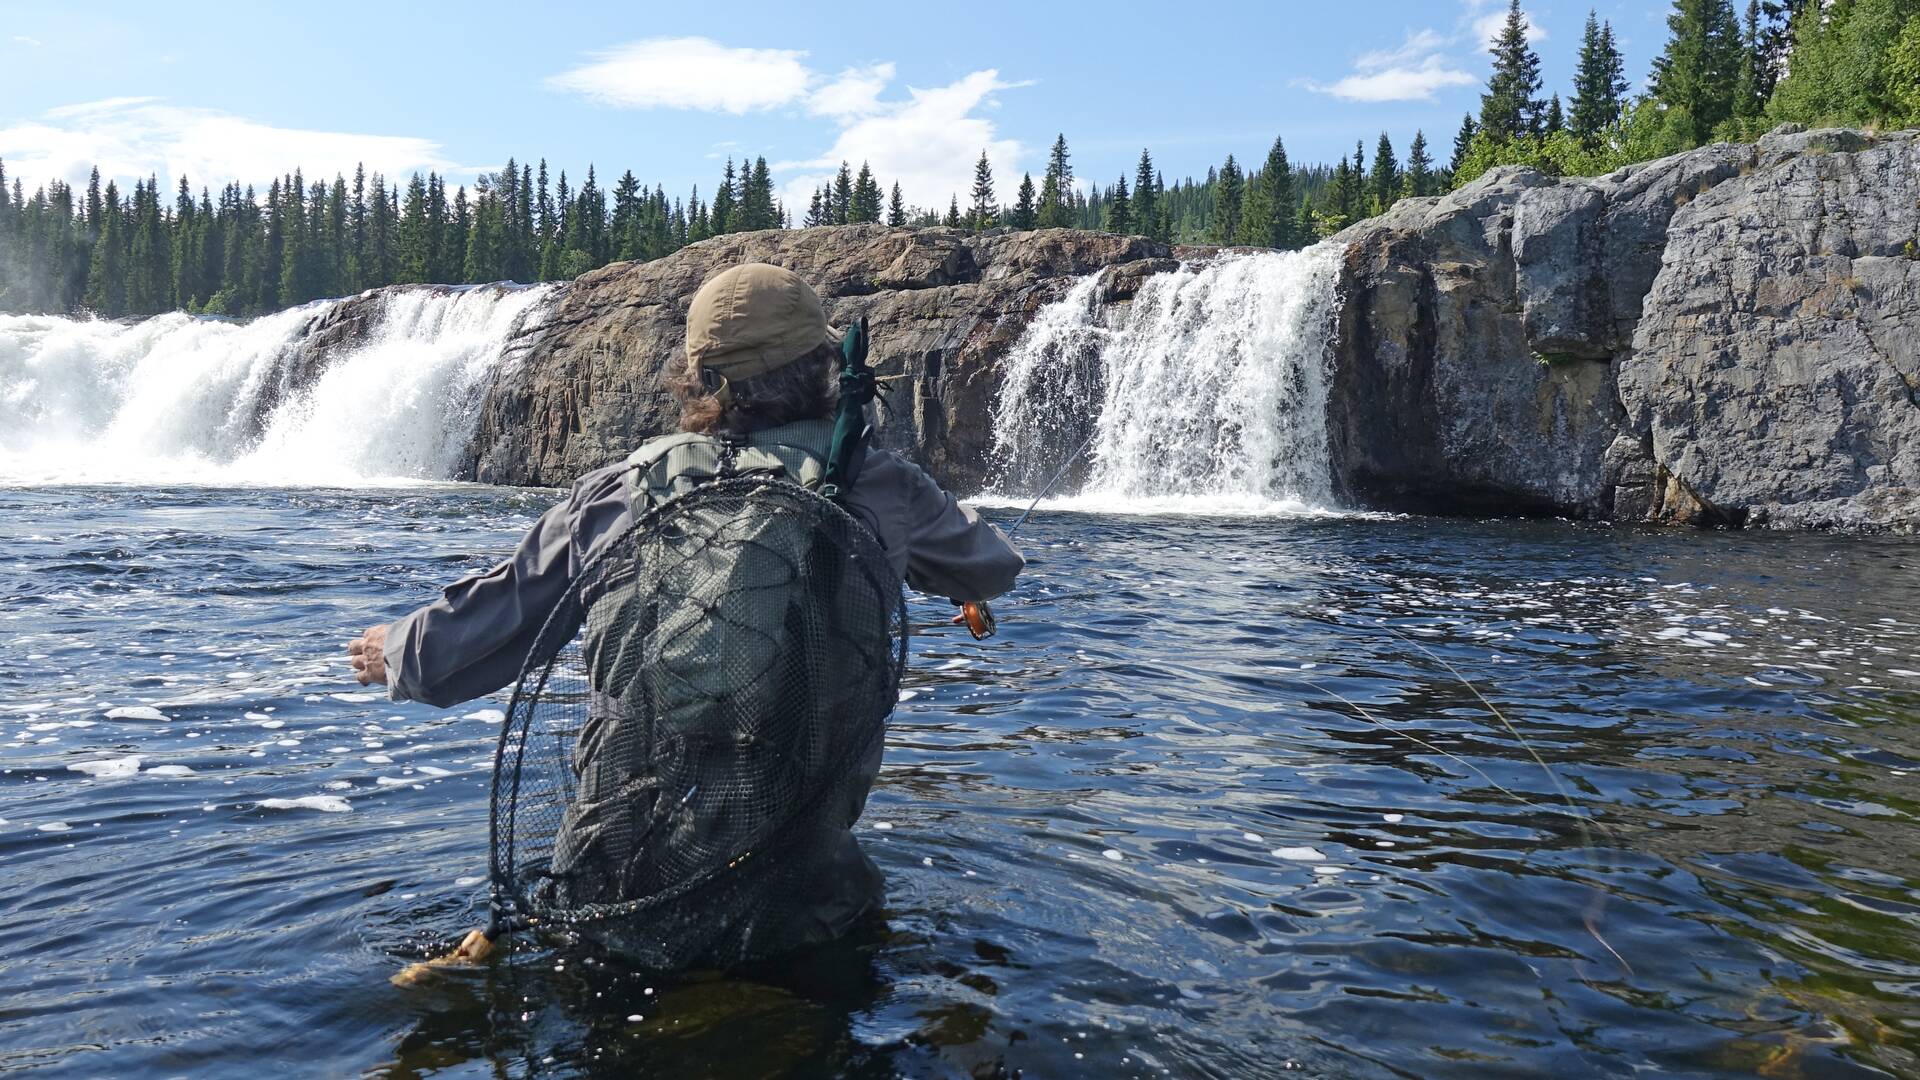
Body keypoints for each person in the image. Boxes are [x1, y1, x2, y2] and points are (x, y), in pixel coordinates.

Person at [349, 262, 1023, 959]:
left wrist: (396, 650)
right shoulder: (883, 483)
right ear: (823, 366)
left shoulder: (618, 489)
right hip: (800, 902)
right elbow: (992, 568)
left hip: (612, 878)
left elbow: (498, 617)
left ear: (701, 379)